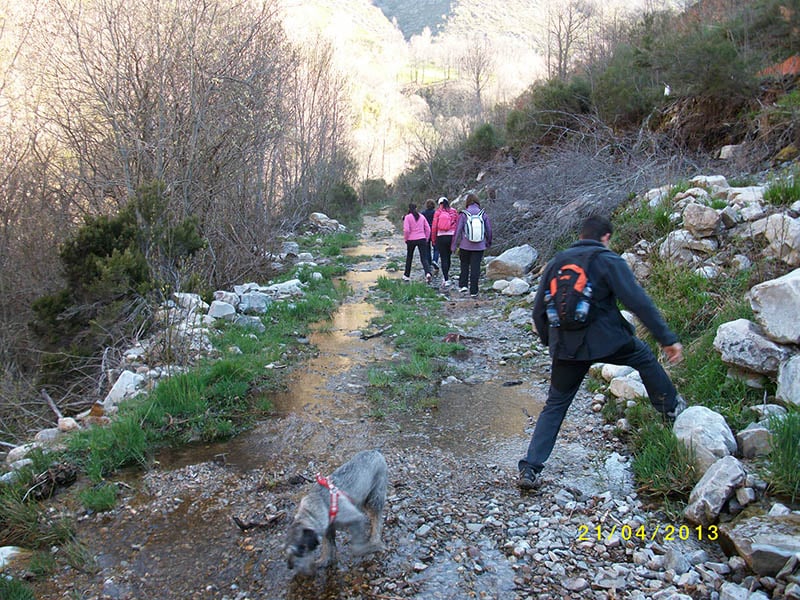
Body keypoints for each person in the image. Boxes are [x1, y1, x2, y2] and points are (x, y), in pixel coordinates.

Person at [519, 215, 686, 491]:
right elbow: (638, 302)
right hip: (609, 342)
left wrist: (552, 343)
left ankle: (530, 468)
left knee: (556, 405)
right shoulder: (609, 260)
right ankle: (670, 409)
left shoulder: (557, 262)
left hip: (566, 349)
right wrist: (666, 339)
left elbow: (539, 311)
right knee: (644, 357)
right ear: (605, 237)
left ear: (582, 235)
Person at [451, 192, 492, 298]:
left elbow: (458, 230)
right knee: (476, 267)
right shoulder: (482, 214)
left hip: (465, 245)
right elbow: (489, 230)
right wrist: (488, 242)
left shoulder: (464, 214)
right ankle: (474, 290)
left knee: (464, 265)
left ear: (467, 202)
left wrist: (454, 245)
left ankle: (463, 285)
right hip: (479, 246)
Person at [431, 197, 458, 289]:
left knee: (443, 257)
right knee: (448, 256)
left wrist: (433, 239)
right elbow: (457, 224)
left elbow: (434, 227)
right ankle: (447, 275)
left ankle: (446, 279)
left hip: (441, 237)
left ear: (440, 204)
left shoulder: (438, 212)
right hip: (451, 237)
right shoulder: (453, 211)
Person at [403, 203, 433, 283]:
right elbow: (428, 229)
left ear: (409, 208)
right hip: (422, 238)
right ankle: (428, 273)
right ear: (416, 208)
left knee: (409, 257)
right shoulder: (422, 217)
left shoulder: (407, 217)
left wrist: (406, 239)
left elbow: (406, 230)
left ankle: (406, 275)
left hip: (411, 239)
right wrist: (426, 238)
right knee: (424, 258)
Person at [421, 199, 439, 272]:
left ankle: (428, 263)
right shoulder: (436, 213)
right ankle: (435, 260)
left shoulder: (423, 213)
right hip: (434, 231)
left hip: (426, 231)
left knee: (427, 248)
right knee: (436, 248)